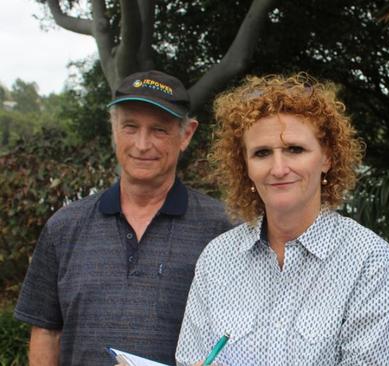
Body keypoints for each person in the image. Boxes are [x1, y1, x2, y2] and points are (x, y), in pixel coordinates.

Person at [175, 73, 389, 365]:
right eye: (262, 153)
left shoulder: (369, 261)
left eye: (295, 149)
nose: (279, 168)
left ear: (327, 158)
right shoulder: (217, 259)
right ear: (245, 166)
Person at [14, 70, 232, 365]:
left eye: (159, 130)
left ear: (187, 134)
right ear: (113, 129)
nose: (142, 144)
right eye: (130, 127)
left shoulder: (224, 229)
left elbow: (239, 335)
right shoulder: (63, 226)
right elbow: (45, 331)